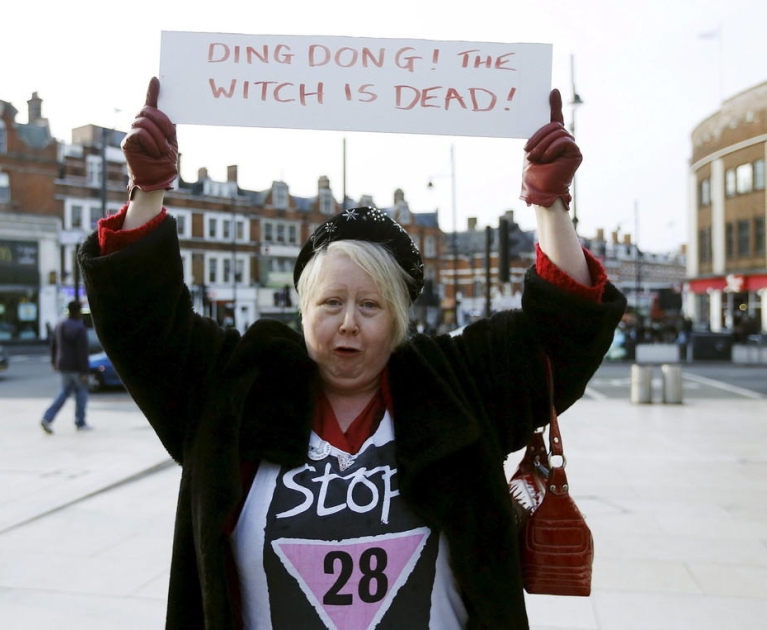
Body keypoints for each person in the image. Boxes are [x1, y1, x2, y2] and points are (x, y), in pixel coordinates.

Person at [78, 78, 626, 629]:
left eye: (370, 305)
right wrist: (146, 193)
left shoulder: (458, 388)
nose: (348, 324)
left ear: (398, 320)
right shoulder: (236, 389)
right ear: (302, 311)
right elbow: (144, 327)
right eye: (330, 303)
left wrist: (551, 206)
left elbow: (560, 335)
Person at [40, 300, 91, 433]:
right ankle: (80, 422)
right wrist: (85, 371)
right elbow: (82, 351)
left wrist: (54, 361)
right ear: (79, 311)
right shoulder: (79, 328)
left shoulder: (61, 325)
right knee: (81, 393)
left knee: (64, 392)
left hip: (63, 364)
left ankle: (47, 417)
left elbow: (54, 345)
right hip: (76, 367)